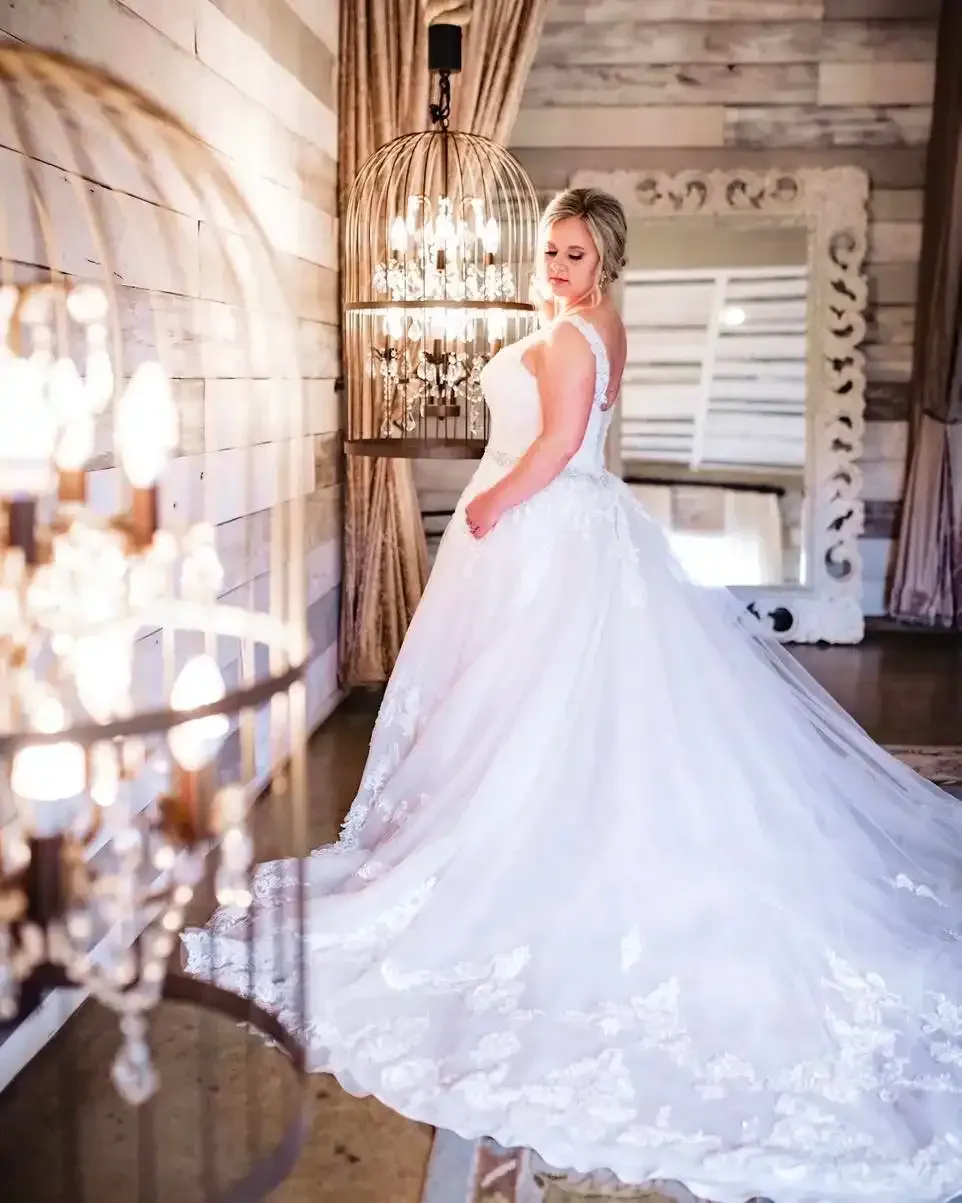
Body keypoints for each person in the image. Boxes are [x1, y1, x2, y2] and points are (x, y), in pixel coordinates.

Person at [185, 189, 962, 1203]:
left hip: (545, 527)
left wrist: (492, 505)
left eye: (575, 253)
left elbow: (551, 450)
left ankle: (523, 837)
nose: (556, 266)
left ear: (605, 259)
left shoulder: (565, 340)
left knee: (529, 702)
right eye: (550, 250)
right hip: (586, 527)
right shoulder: (598, 327)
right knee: (554, 704)